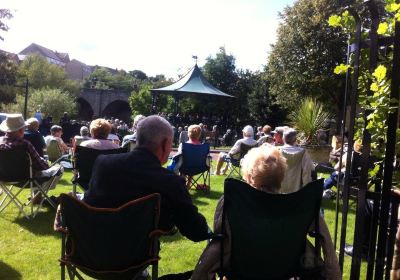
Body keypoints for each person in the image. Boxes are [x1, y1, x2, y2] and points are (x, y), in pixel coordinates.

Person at [191, 144, 340, 280]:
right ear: (281, 176)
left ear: (249, 176)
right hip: (287, 270)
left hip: (239, 271)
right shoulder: (300, 205)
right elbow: (325, 240)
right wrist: (333, 275)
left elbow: (220, 236)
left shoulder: (231, 203)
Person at [83, 115, 210, 241]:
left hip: (90, 249)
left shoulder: (103, 163)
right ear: (165, 144)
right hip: (135, 256)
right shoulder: (171, 182)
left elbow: (88, 204)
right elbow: (196, 231)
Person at [0, 114, 63, 202]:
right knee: (59, 169)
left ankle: (37, 196)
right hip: (25, 179)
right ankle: (38, 197)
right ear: (21, 130)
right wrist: (46, 164)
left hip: (3, 178)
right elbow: (42, 166)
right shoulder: (24, 144)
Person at [279, 128, 315, 194]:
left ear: (283, 138)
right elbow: (307, 171)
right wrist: (306, 188)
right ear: (295, 139)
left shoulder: (277, 151)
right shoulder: (303, 152)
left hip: (279, 187)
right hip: (297, 188)